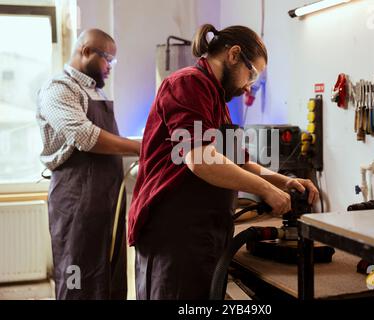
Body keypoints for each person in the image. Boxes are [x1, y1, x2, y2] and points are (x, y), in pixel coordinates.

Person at [128, 24, 318, 300]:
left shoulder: (215, 98)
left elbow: (240, 163)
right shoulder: (187, 85)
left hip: (203, 230)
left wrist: (283, 181)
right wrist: (266, 190)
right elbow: (200, 160)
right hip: (175, 232)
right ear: (233, 54)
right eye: (251, 73)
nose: (248, 85)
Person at [37, 29, 141, 300]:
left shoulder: (97, 93)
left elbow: (113, 141)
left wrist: (150, 144)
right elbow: (84, 136)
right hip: (76, 202)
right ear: (85, 51)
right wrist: (142, 147)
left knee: (109, 275)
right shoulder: (59, 88)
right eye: (108, 59)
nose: (110, 67)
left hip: (108, 201)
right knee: (78, 278)